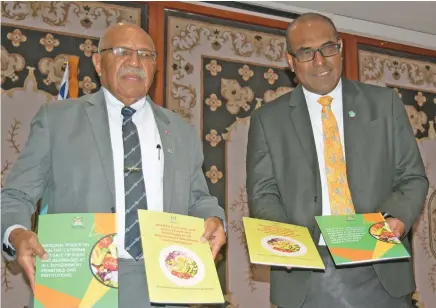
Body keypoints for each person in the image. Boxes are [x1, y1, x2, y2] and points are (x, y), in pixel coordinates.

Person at [1, 23, 226, 308]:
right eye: (122, 51)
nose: (135, 61)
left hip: (166, 285)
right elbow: (17, 195)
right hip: (78, 284)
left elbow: (198, 199)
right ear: (98, 62)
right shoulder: (57, 120)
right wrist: (16, 232)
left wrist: (214, 218)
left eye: (146, 54)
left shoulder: (180, 131)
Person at [246, 13, 428, 308]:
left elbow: (412, 176)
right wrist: (288, 243)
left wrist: (397, 218)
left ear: (340, 48)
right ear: (290, 61)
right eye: (306, 52)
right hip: (307, 274)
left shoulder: (384, 105)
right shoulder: (268, 120)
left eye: (328, 48)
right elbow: (263, 193)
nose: (320, 61)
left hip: (379, 265)